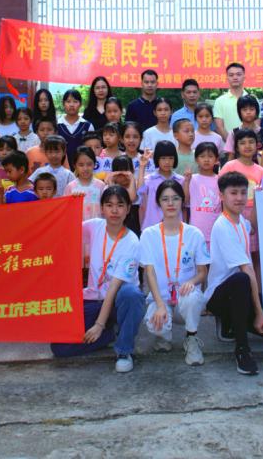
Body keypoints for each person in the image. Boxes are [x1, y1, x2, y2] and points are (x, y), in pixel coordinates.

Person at [50, 186, 145, 373]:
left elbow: (113, 288)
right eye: (109, 205)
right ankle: (111, 334)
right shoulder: (95, 226)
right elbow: (67, 229)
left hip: (118, 303)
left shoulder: (132, 242)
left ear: (128, 209)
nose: (114, 210)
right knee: (60, 348)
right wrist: (72, 205)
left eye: (120, 205)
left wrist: (98, 325)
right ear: (102, 208)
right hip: (94, 300)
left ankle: (124, 350)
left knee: (132, 294)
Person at [139, 180, 209, 365]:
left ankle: (191, 338)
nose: (170, 203)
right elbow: (150, 273)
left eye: (175, 198)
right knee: (155, 324)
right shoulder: (149, 234)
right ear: (158, 203)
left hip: (184, 299)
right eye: (165, 199)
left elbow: (202, 272)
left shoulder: (194, 234)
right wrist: (160, 305)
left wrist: (191, 282)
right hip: (160, 298)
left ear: (182, 201)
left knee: (192, 298)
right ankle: (164, 336)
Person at [204, 172, 263, 375]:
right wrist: (259, 313)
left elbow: (252, 228)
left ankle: (230, 324)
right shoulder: (223, 226)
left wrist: (257, 201)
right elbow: (246, 270)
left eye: (243, 193)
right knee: (241, 279)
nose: (239, 198)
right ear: (221, 196)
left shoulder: (241, 221)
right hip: (220, 298)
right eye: (233, 193)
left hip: (240, 296)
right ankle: (242, 350)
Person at [137, 141, 184, 231]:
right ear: (157, 159)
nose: (167, 162)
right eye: (163, 158)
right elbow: (140, 191)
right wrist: (142, 167)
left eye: (171, 158)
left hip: (175, 228)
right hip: (152, 227)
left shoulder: (180, 180)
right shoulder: (149, 179)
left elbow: (185, 205)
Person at [186, 143, 222, 245]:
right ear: (196, 159)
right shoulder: (192, 179)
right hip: (195, 231)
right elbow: (185, 201)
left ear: (216, 159)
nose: (206, 160)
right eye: (202, 156)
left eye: (210, 156)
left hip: (215, 231)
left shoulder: (220, 180)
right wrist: (186, 181)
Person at [56, 89, 93, 167]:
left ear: (80, 104)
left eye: (75, 101)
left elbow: (92, 150)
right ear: (63, 103)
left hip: (83, 168)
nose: (72, 105)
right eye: (68, 101)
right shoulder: (57, 125)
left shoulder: (88, 126)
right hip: (60, 167)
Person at [222, 96, 263, 161]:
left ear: (257, 111)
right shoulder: (233, 133)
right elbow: (231, 157)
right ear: (239, 112)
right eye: (245, 110)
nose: (248, 112)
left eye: (251, 109)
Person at [212, 63, 248, 138]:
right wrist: (231, 143)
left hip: (249, 143)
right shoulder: (219, 101)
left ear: (244, 77)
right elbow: (219, 127)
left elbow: (256, 126)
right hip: (226, 144)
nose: (235, 77)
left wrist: (245, 142)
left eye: (238, 74)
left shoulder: (253, 99)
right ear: (227, 78)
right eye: (231, 75)